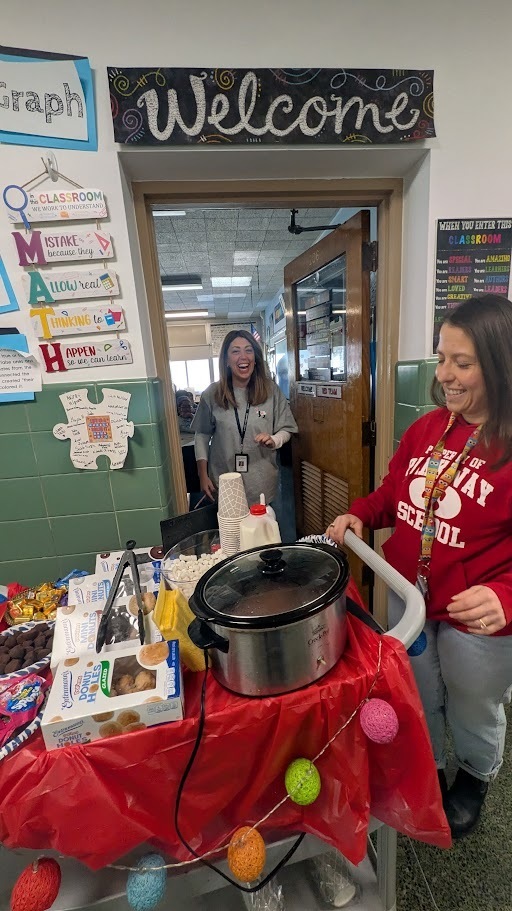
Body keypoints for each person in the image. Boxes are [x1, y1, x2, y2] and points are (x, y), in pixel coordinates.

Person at [327, 294, 512, 840]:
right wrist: (360, 514)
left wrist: (507, 595)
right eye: (441, 358)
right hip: (409, 598)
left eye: (462, 362)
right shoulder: (427, 429)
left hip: (475, 619)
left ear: (499, 364)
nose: (444, 375)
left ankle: (476, 774)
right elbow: (393, 493)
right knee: (417, 691)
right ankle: (426, 764)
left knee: (473, 705)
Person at [191, 329, 297, 508]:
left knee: (262, 532)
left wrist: (274, 439)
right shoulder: (212, 394)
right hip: (224, 482)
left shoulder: (271, 391)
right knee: (230, 533)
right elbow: (201, 434)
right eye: (235, 351)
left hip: (262, 482)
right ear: (226, 360)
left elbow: (287, 428)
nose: (243, 356)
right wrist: (202, 474)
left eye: (248, 350)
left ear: (255, 358)